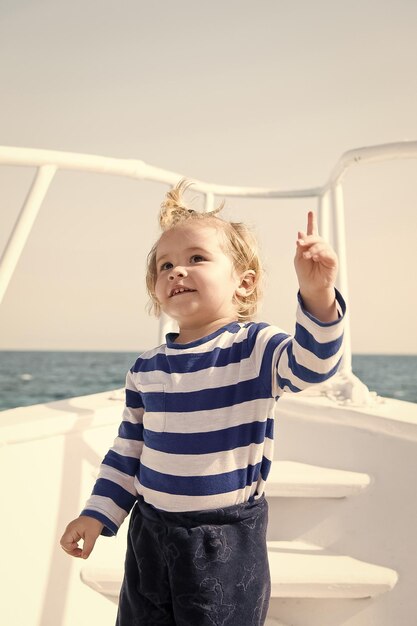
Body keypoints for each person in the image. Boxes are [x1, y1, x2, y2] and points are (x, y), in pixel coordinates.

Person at [60, 179, 345, 625]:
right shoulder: (147, 367)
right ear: (155, 288)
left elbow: (312, 366)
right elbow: (127, 451)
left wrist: (318, 296)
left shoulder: (255, 347)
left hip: (223, 539)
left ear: (244, 283)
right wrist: (96, 514)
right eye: (165, 265)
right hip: (150, 533)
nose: (177, 271)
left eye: (197, 258)